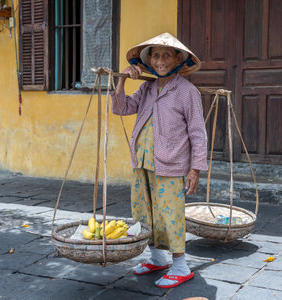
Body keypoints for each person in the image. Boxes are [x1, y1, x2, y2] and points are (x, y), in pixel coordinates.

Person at [111, 33, 208, 288]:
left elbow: (198, 133)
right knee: (145, 213)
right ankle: (157, 258)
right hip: (142, 161)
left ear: (178, 59)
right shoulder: (147, 88)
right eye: (156, 55)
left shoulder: (187, 92)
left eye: (167, 55)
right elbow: (122, 108)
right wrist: (121, 81)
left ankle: (180, 266)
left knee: (170, 215)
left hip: (171, 164)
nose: (161, 60)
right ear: (149, 60)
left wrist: (195, 169)